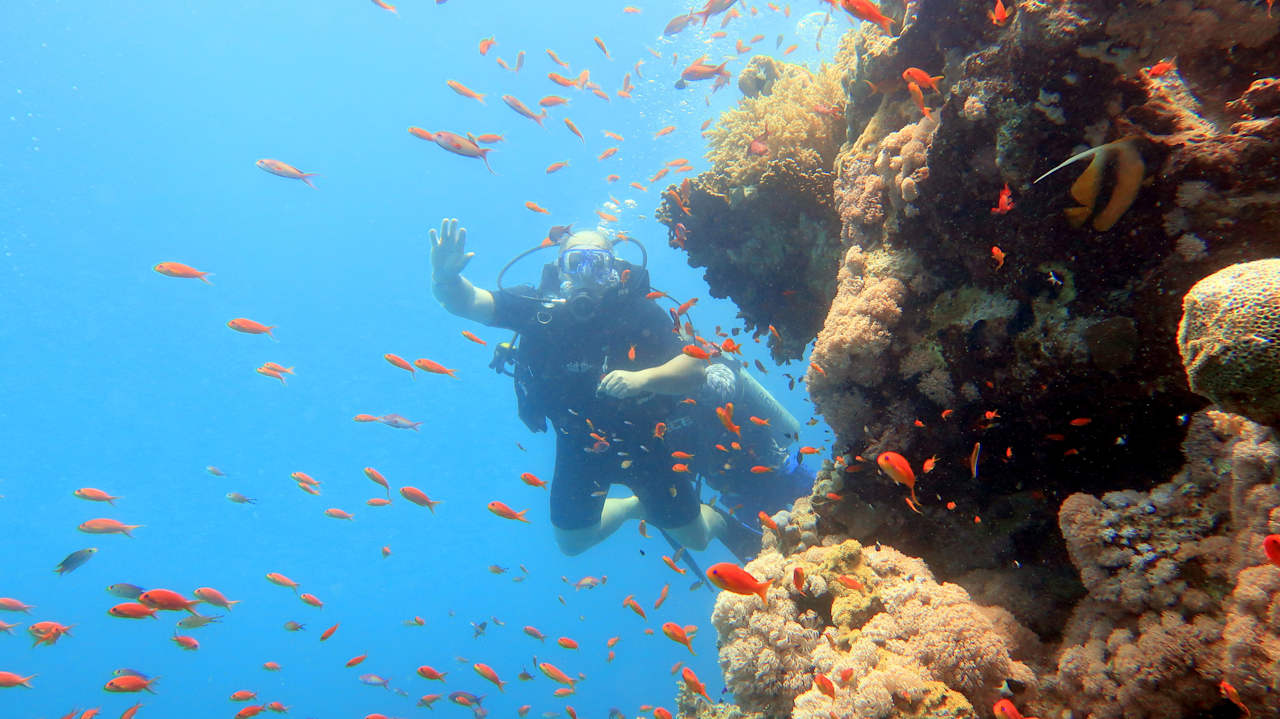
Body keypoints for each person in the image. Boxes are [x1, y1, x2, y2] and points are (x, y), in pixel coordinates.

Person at [430, 218, 812, 559]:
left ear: (613, 269)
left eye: (596, 265)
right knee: (571, 544)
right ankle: (633, 506)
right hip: (578, 442)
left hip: (647, 441)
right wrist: (447, 279)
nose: (584, 275)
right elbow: (469, 302)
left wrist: (641, 380)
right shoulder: (536, 308)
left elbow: (695, 363)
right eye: (574, 263)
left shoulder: (637, 310)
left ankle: (720, 522)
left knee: (695, 539)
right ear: (558, 268)